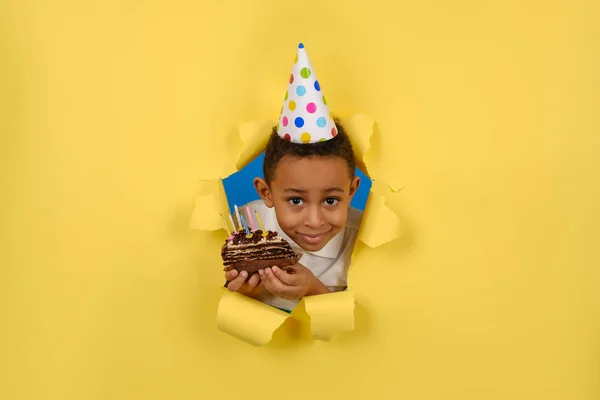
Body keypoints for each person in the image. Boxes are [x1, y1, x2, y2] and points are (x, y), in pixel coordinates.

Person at [224, 42, 363, 311]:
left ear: (352, 190)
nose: (314, 221)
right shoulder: (243, 230)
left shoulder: (364, 242)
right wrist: (246, 294)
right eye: (296, 201)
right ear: (266, 193)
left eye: (331, 200)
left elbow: (358, 325)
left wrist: (314, 290)